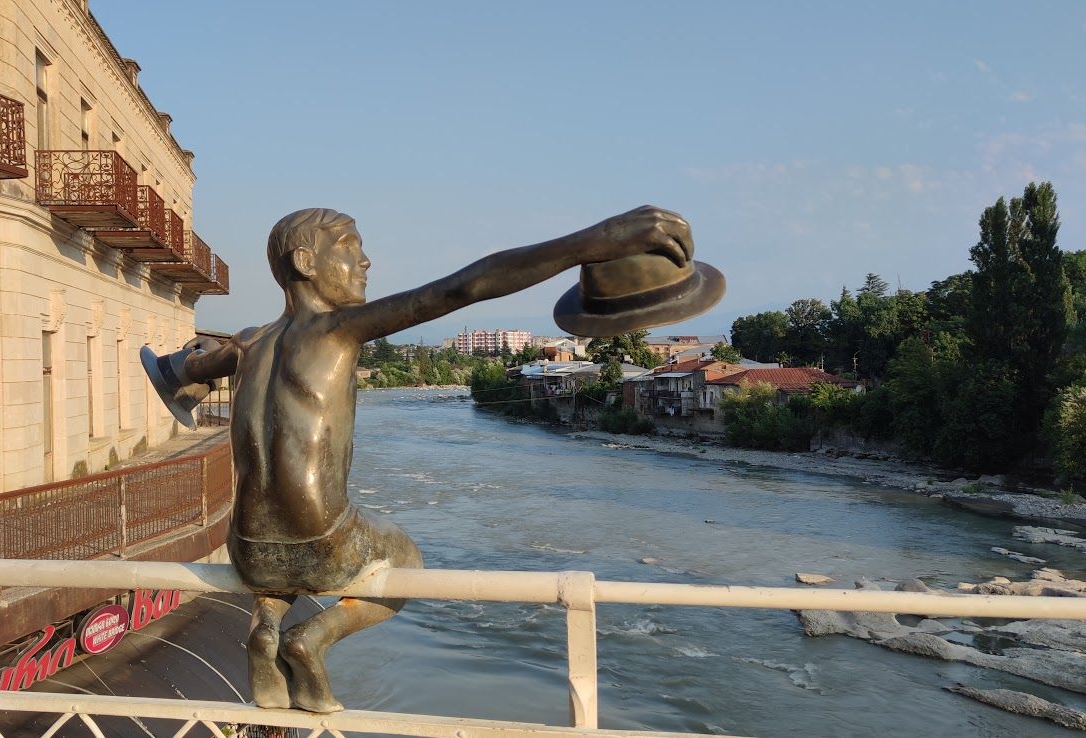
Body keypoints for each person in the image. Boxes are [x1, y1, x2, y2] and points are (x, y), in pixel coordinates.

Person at [168, 205, 696, 712]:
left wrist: (183, 372)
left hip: (245, 548)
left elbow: (188, 369)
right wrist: (594, 241)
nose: (366, 262)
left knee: (282, 561)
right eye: (351, 248)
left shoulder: (245, 342)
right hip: (322, 542)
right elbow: (466, 286)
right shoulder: (339, 331)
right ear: (306, 264)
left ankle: (265, 623)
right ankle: (312, 637)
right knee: (406, 558)